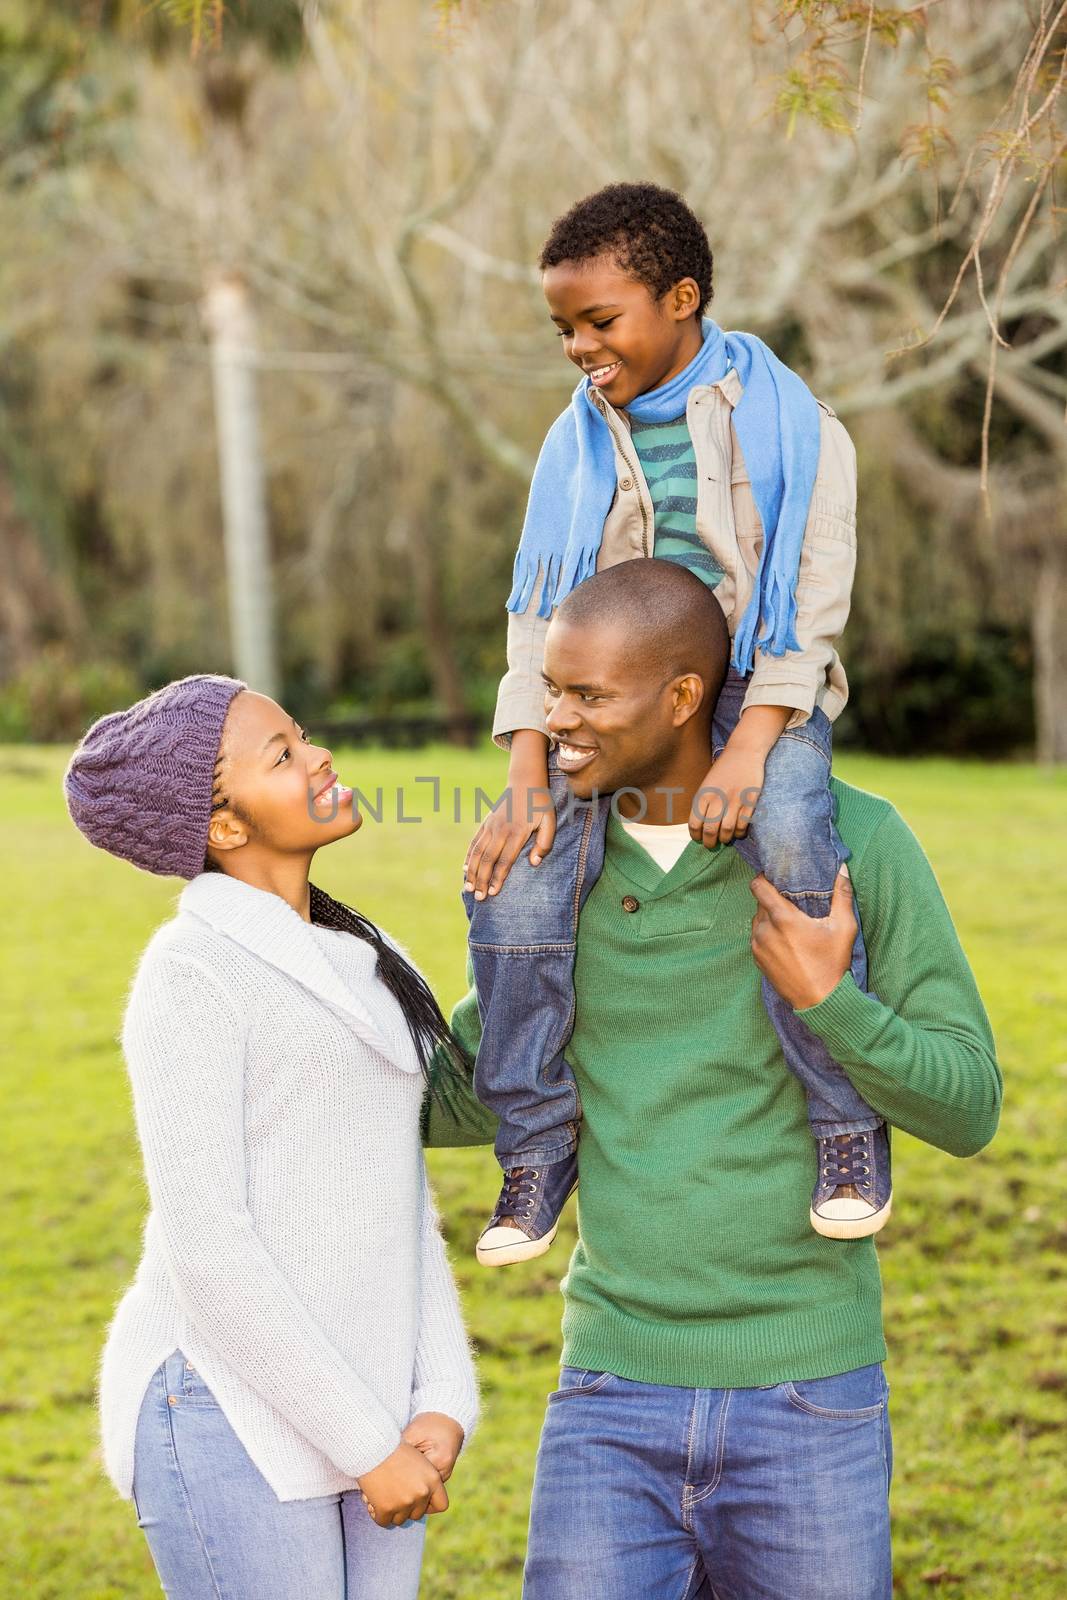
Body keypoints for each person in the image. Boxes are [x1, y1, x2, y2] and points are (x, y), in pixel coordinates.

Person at [428, 561, 1002, 1598]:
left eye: (587, 695)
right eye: (551, 690)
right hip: (607, 1394)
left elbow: (966, 1104)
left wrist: (833, 1004)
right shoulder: (550, 865)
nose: (554, 720)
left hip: (808, 1396)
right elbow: (463, 1090)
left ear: (683, 696)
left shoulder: (848, 845)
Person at [464, 181, 890, 1264]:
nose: (577, 347)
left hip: (756, 683)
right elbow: (536, 610)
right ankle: (534, 1134)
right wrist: (526, 765)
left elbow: (813, 597)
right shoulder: (574, 447)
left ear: (681, 297)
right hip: (605, 700)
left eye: (598, 321)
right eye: (562, 327)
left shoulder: (794, 426)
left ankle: (843, 1123)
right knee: (515, 870)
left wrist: (749, 747)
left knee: (792, 828)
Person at [62, 674, 479, 1600]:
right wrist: (368, 1445)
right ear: (222, 827)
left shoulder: (369, 959)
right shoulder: (192, 977)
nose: (318, 754)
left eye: (303, 734)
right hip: (228, 1412)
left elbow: (396, 1201)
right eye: (282, 754)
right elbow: (209, 1250)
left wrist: (442, 1396)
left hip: (371, 1409)